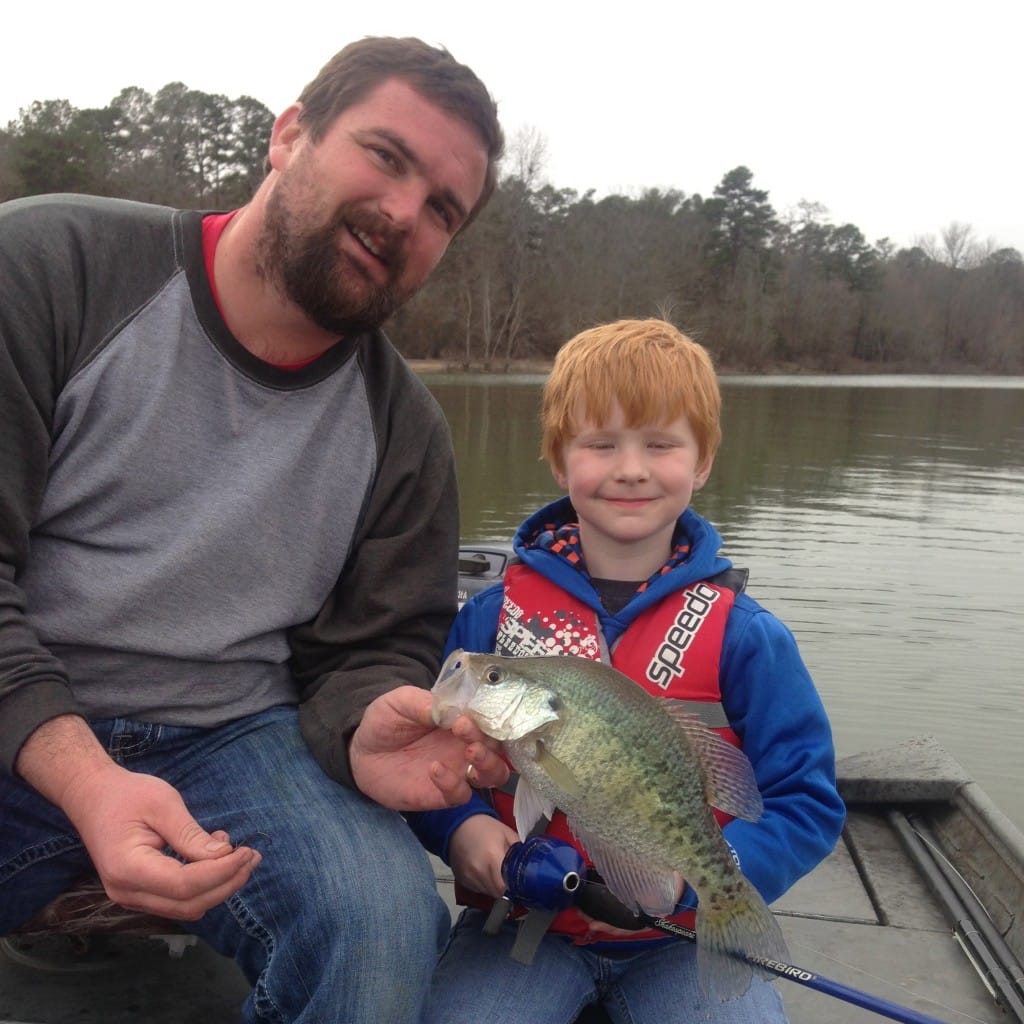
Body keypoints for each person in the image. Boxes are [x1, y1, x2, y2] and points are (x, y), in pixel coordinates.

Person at [0, 36, 510, 1024]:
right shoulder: (47, 267)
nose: (403, 212)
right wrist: (87, 779)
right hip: (19, 724)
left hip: (231, 738)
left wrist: (364, 728)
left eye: (442, 208)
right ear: (289, 135)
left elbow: (368, 653)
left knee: (388, 928)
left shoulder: (405, 433)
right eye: (385, 155)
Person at [408, 319, 847, 1023]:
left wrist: (699, 885)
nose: (631, 468)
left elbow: (808, 801)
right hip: (519, 932)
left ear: (703, 462)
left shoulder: (746, 637)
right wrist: (465, 836)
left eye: (661, 444)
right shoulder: (492, 620)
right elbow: (430, 771)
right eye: (601, 443)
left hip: (679, 939)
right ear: (559, 460)